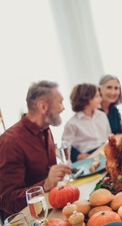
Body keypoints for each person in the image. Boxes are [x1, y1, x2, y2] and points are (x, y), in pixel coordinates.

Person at [0, 81, 72, 216]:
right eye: (60, 103)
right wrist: (45, 185)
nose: (63, 108)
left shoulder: (45, 129)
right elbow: (7, 201)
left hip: (52, 207)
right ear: (43, 106)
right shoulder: (9, 142)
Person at [62, 83, 111, 162]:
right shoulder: (72, 123)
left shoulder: (102, 115)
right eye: (97, 96)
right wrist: (76, 157)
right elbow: (66, 147)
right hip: (88, 159)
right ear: (85, 98)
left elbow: (109, 135)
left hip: (105, 152)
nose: (101, 99)